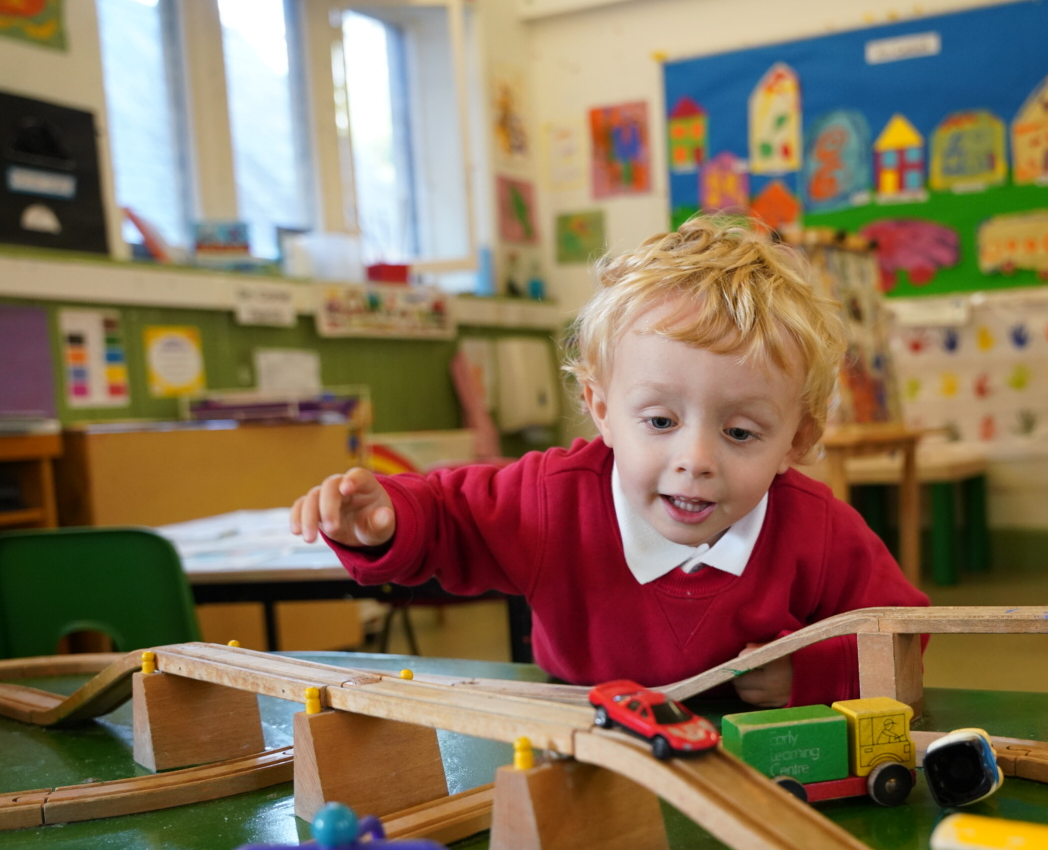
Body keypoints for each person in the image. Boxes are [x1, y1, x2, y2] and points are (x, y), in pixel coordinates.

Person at [291, 216, 927, 707]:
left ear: (797, 439)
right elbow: (450, 513)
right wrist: (387, 520)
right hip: (584, 745)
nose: (695, 460)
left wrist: (807, 673)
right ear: (601, 408)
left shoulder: (817, 529)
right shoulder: (553, 497)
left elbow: (898, 636)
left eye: (739, 432)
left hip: (757, 761)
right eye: (659, 422)